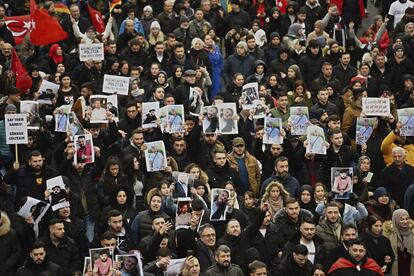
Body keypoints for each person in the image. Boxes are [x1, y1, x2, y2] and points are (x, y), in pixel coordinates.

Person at [382, 209, 414, 276]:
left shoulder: (412, 231)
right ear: (396, 220)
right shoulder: (388, 232)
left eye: (407, 219)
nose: (405, 221)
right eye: (402, 219)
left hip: (410, 263)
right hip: (396, 265)